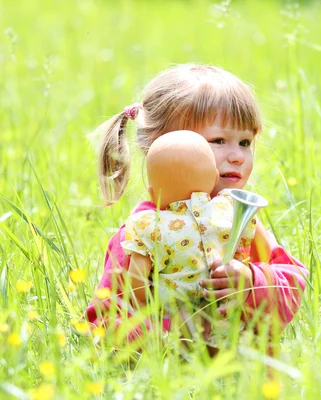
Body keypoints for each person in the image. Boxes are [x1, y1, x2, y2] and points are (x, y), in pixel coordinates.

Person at [85, 64, 307, 347]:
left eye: (245, 142)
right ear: (162, 146)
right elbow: (105, 319)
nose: (238, 156)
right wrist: (166, 339)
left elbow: (294, 284)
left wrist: (251, 282)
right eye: (218, 140)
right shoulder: (139, 234)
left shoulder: (240, 221)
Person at [121, 130, 257, 321]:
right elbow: (245, 249)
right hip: (225, 315)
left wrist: (146, 309)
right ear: (215, 179)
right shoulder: (228, 208)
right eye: (218, 140)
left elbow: (137, 281)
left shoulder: (149, 226)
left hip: (175, 319)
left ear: (152, 193)